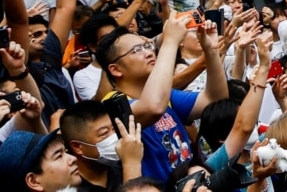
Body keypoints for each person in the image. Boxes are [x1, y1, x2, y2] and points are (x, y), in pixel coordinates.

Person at [96, 12, 229, 180]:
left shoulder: (166, 96)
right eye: (137, 50)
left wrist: (211, 51)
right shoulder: (112, 104)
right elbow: (153, 107)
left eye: (147, 46)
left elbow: (215, 99)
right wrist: (171, 41)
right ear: (115, 69)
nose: (149, 53)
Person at [61, 102, 145, 191]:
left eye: (114, 128)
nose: (114, 136)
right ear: (77, 146)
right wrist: (131, 163)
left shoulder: (119, 168)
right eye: (104, 133)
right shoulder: (69, 187)